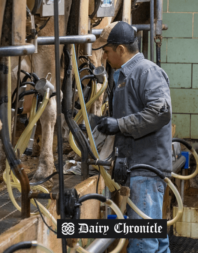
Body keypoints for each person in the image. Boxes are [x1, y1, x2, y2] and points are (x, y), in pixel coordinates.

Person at [94, 21, 172, 253]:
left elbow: (160, 111)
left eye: (106, 52)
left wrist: (118, 124)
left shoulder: (146, 71)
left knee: (143, 243)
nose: (105, 57)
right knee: (156, 242)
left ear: (120, 49)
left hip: (146, 170)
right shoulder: (124, 76)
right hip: (137, 168)